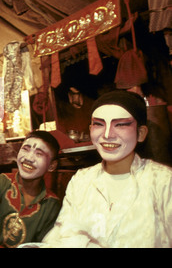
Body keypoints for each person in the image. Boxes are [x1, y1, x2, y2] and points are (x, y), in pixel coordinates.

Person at [39, 90, 172, 247]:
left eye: (121, 124)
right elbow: (62, 235)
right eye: (99, 124)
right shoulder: (82, 180)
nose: (107, 134)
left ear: (141, 133)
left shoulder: (163, 181)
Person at [0, 130, 62, 248]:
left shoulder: (51, 204)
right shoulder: (0, 182)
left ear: (52, 165)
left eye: (39, 153)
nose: (29, 158)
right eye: (25, 149)